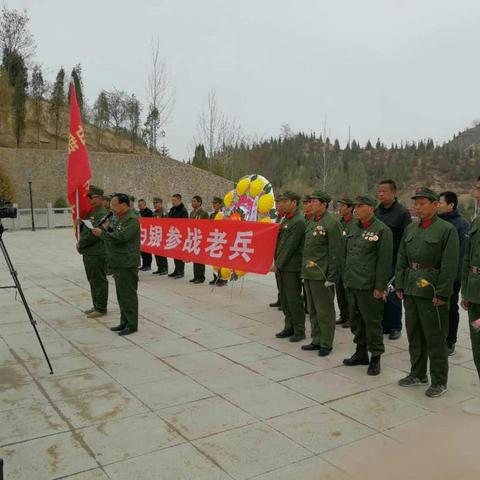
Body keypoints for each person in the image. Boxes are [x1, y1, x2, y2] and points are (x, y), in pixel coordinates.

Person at [396, 187, 459, 397]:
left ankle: (439, 381)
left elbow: (450, 265)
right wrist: (400, 285)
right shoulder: (411, 229)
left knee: (435, 337)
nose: (418, 207)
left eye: (423, 203)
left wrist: (442, 294)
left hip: (431, 291)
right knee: (414, 334)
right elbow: (401, 259)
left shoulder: (446, 230)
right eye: (416, 203)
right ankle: (418, 374)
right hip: (411, 289)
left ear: (435, 205)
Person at [343, 195, 393, 375]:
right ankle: (360, 353)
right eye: (354, 206)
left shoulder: (382, 230)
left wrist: (380, 287)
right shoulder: (353, 227)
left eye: (360, 206)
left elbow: (384, 262)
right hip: (352, 283)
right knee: (356, 321)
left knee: (372, 323)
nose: (355, 209)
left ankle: (376, 358)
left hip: (369, 286)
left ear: (371, 208)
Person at [301, 190, 343, 356]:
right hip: (309, 273)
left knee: (324, 310)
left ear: (324, 204)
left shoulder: (331, 223)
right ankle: (316, 339)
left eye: (314, 201)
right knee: (312, 310)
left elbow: (336, 252)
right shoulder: (312, 221)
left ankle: (326, 342)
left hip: (322, 274)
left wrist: (332, 276)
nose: (310, 204)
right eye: (310, 201)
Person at [92, 193, 141, 336]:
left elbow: (122, 237)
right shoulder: (121, 218)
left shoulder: (131, 219)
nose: (112, 208)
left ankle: (132, 324)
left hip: (127, 263)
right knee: (121, 294)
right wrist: (107, 229)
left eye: (114, 205)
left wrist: (102, 233)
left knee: (128, 295)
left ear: (124, 205)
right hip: (119, 262)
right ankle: (124, 322)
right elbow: (116, 233)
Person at [375, 179, 412, 340]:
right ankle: (383, 324)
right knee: (379, 291)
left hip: (395, 259)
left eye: (384, 191)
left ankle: (395, 326)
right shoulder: (377, 211)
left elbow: (408, 237)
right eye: (379, 191)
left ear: (394, 192)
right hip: (378, 259)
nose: (381, 194)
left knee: (392, 294)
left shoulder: (402, 213)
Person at [438, 191, 469, 356]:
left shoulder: (461, 224)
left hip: (451, 277)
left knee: (450, 309)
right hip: (434, 276)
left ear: (451, 205)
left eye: (440, 202)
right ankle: (437, 338)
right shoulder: (435, 222)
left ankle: (450, 340)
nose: (437, 205)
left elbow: (462, 254)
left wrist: (454, 278)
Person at [273, 191, 306, 342]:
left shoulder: (298, 221)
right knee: (285, 299)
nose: (281, 204)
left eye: (285, 201)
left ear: (294, 203)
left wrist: (278, 264)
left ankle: (299, 330)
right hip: (282, 266)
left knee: (294, 299)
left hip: (292, 267)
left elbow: (290, 247)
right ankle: (289, 326)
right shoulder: (286, 220)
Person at [460, 176, 480, 415]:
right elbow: (468, 259)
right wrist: (466, 291)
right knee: (477, 343)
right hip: (475, 296)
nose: (476, 193)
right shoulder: (476, 221)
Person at [77, 185, 109, 318]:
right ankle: (96, 304)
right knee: (92, 280)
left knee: (99, 280)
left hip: (97, 252)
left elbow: (94, 234)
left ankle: (101, 307)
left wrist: (81, 244)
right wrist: (79, 224)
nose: (88, 199)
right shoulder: (92, 212)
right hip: (89, 252)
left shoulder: (101, 213)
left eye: (91, 197)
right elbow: (86, 230)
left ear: (99, 198)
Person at [336, 197, 354, 328]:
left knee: (348, 293)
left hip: (349, 263)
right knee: (340, 291)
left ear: (350, 208)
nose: (340, 208)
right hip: (339, 263)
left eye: (343, 206)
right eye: (339, 206)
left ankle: (351, 318)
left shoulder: (354, 224)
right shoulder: (340, 222)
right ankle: (343, 315)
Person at [269, 200, 286, 309]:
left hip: (283, 252)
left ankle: (284, 301)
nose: (277, 206)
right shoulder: (278, 217)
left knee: (285, 280)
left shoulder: (287, 218)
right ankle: (280, 299)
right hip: (277, 250)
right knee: (278, 278)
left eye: (279, 204)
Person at [168, 193, 189, 278]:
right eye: (172, 200)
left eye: (175, 200)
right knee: (174, 254)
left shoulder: (183, 211)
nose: (173, 202)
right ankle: (176, 270)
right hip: (173, 234)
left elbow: (184, 224)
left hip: (180, 235)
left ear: (180, 200)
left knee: (179, 254)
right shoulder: (172, 209)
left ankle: (181, 272)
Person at [189, 195, 209, 283]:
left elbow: (207, 227)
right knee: (195, 257)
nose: (192, 203)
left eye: (194, 201)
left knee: (200, 258)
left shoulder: (204, 213)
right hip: (194, 237)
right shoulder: (192, 213)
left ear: (199, 202)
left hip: (201, 238)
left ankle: (201, 277)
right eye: (192, 201)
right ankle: (195, 276)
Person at [209, 197, 227, 286]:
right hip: (214, 239)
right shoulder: (212, 215)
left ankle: (223, 279)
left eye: (215, 203)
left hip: (222, 239)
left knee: (222, 261)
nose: (213, 205)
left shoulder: (225, 214)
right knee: (214, 261)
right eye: (213, 203)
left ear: (220, 204)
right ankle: (215, 278)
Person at [152, 197, 169, 275]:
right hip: (156, 235)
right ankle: (159, 268)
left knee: (162, 253)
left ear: (161, 203)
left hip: (162, 235)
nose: (155, 205)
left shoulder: (164, 212)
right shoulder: (154, 213)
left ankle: (164, 268)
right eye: (154, 203)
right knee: (156, 253)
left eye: (156, 203)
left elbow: (166, 224)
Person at [138, 198, 154, 271]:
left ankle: (148, 265)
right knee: (142, 251)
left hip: (148, 233)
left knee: (147, 251)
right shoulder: (139, 212)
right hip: (142, 234)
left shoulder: (149, 212)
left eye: (140, 205)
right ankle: (144, 265)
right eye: (138, 205)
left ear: (144, 205)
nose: (139, 206)